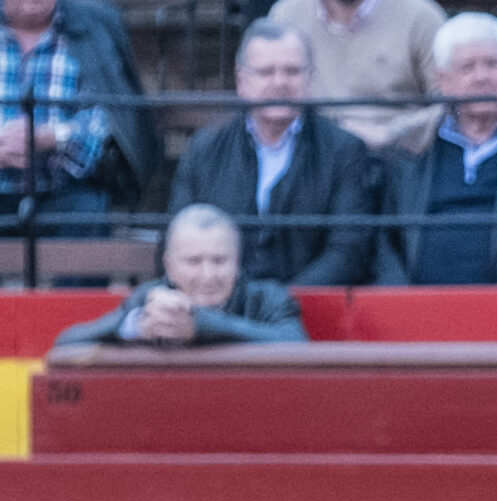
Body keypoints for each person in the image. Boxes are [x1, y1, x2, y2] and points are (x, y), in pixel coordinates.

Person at [372, 13, 497, 286]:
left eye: (493, 64)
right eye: (467, 67)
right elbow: (379, 239)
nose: (481, 77)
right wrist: (399, 301)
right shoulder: (405, 148)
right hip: (414, 312)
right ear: (442, 79)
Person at [167, 20, 377, 287]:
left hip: (310, 311)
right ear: (242, 81)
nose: (280, 82)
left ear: (310, 79)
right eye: (266, 72)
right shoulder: (204, 150)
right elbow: (177, 239)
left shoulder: (344, 150)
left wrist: (282, 303)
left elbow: (349, 251)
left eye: (292, 71)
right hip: (219, 308)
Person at [1, 0, 159, 234]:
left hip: (66, 188)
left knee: (89, 213)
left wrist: (52, 136)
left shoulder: (93, 28)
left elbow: (111, 116)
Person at [52, 205, 307, 348]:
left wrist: (200, 324)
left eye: (219, 260)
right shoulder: (148, 299)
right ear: (169, 266)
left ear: (238, 262)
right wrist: (133, 326)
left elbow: (298, 344)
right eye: (193, 262)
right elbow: (66, 343)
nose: (208, 275)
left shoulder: (268, 298)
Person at [267, 0, 445, 149]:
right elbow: (264, 94)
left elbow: (452, 105)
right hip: (311, 157)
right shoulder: (287, 15)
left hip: (394, 159)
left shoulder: (420, 17)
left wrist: (391, 133)